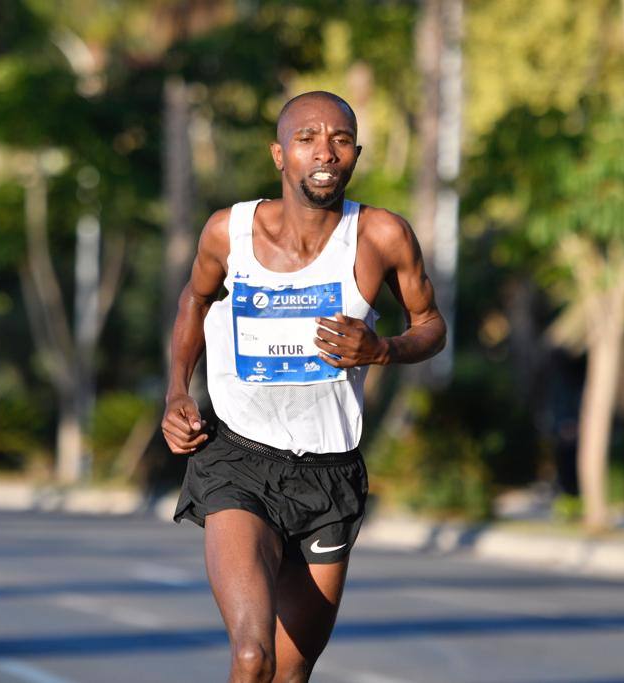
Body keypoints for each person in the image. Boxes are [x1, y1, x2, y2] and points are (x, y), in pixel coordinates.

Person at [162, 90, 446, 683]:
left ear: (356, 154)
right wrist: (176, 393)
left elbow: (431, 327)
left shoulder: (381, 236)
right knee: (251, 656)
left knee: (290, 674)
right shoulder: (229, 232)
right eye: (307, 138)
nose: (326, 152)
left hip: (330, 473)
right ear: (279, 155)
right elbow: (194, 300)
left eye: (341, 140)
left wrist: (382, 349)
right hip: (238, 459)